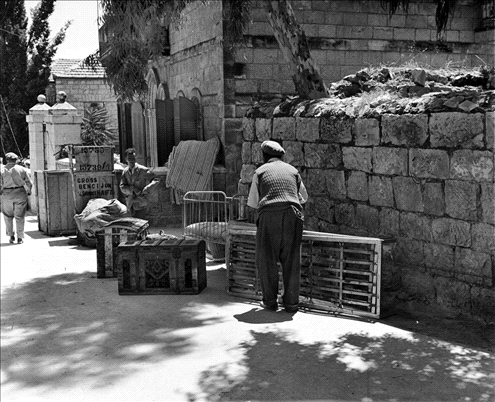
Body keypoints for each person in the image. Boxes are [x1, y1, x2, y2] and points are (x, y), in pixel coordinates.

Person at [247, 140, 308, 313]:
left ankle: (270, 302)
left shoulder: (260, 172)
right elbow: (303, 197)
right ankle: (291, 303)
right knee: (291, 260)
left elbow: (253, 202)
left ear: (264, 156)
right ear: (281, 155)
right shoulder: (293, 171)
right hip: (292, 216)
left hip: (269, 216)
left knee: (266, 259)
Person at [0, 152, 33, 244]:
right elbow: (29, 183)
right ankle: (20, 237)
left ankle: (11, 236)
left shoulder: (2, 170)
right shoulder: (22, 169)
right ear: (16, 160)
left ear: (7, 160)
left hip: (7, 194)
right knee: (20, 216)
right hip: (20, 193)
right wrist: (29, 192)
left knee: (7, 216)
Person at [119, 148, 159, 218]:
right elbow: (122, 187)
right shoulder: (125, 172)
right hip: (130, 204)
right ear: (126, 159)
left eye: (133, 158)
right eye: (129, 158)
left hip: (141, 202)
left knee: (141, 224)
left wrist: (147, 189)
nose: (131, 160)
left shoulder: (142, 170)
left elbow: (156, 179)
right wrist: (132, 189)